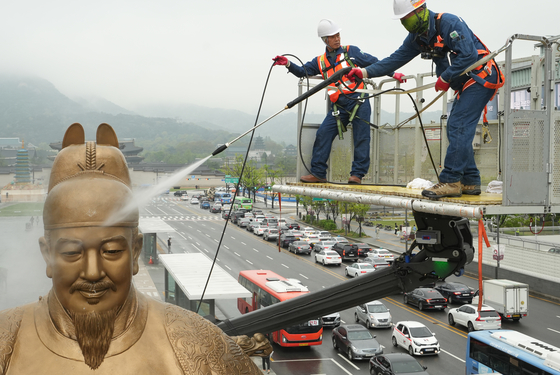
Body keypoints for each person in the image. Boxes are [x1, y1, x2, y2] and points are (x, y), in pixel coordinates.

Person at [0, 123, 261, 374]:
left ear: (135, 251)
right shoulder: (6, 342)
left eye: (111, 251)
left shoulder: (200, 346)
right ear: (47, 254)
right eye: (72, 253)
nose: (92, 273)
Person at [347, 0, 503, 197]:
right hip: (466, 82)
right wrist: (364, 72)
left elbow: (468, 54)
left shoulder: (448, 23)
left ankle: (451, 181)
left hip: (481, 75)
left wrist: (446, 77)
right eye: (402, 20)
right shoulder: (417, 38)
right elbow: (394, 60)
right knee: (456, 128)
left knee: (458, 125)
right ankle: (470, 181)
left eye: (407, 18)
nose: (405, 24)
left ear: (421, 10)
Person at [273, 19, 405, 185]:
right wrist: (288, 64)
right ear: (324, 40)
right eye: (332, 36)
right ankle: (318, 173)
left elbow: (375, 63)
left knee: (361, 137)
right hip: (339, 106)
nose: (337, 38)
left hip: (359, 100)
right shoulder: (320, 61)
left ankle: (357, 174)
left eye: (338, 35)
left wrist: (394, 74)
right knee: (323, 134)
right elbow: (303, 72)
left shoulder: (352, 52)